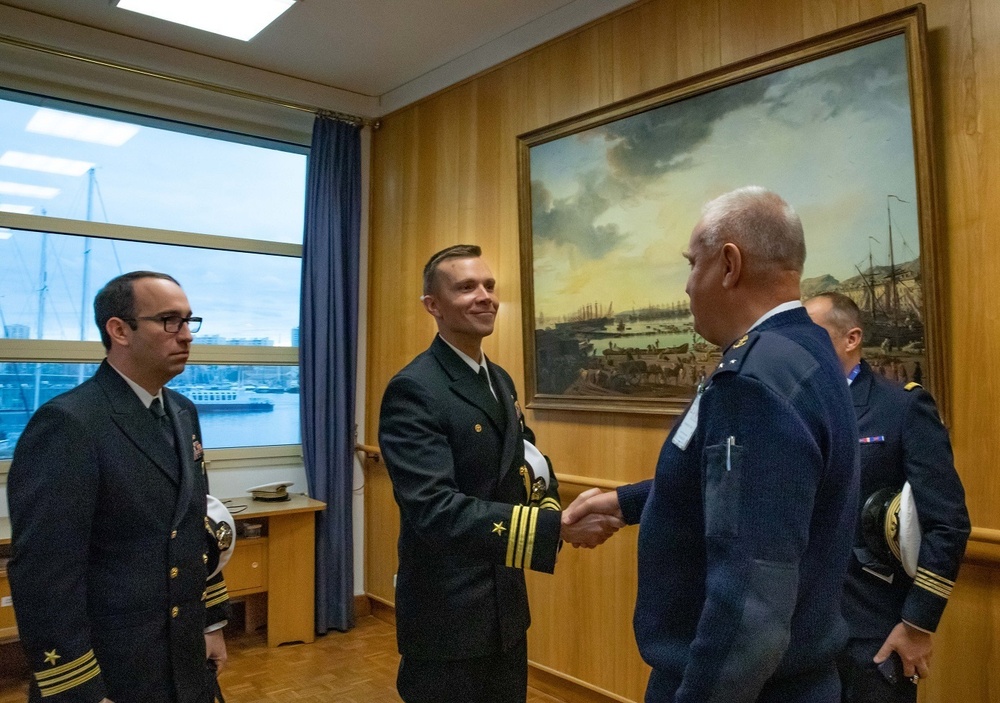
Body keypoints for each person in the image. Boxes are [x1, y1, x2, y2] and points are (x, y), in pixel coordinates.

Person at [563, 187, 859, 702]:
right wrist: (628, 502)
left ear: (728, 264)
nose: (686, 285)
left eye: (692, 264)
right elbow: (748, 488)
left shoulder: (752, 381)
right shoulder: (802, 352)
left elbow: (749, 607)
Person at [378, 244, 622, 703]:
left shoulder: (501, 379)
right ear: (434, 306)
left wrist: (552, 505)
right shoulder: (414, 388)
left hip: (505, 608)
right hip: (446, 615)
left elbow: (529, 460)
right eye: (467, 287)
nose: (485, 296)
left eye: (489, 286)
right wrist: (555, 527)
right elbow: (434, 510)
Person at [7, 271, 229, 703]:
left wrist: (212, 623)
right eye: (169, 320)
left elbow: (194, 531)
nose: (185, 335)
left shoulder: (182, 412)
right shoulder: (70, 424)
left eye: (188, 321)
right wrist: (78, 689)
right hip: (116, 667)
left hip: (184, 654)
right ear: (119, 330)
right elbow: (46, 574)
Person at [804, 291, 970, 703]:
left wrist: (918, 623)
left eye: (813, 335)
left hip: (871, 630)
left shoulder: (901, 407)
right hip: (797, 629)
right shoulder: (793, 408)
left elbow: (947, 524)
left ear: (851, 338)